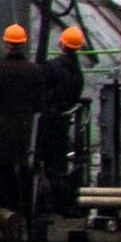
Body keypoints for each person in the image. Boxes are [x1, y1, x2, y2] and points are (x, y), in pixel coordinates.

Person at [0, 22, 49, 231]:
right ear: (23, 44)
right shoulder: (35, 71)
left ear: (6, 44)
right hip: (28, 132)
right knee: (26, 174)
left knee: (3, 174)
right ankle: (27, 216)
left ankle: (5, 214)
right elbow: (41, 104)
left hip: (4, 133)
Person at [38, 24, 89, 218]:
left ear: (61, 43)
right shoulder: (77, 72)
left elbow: (43, 90)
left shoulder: (52, 67)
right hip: (63, 121)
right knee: (59, 164)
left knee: (46, 163)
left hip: (49, 121)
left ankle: (49, 204)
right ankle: (61, 203)